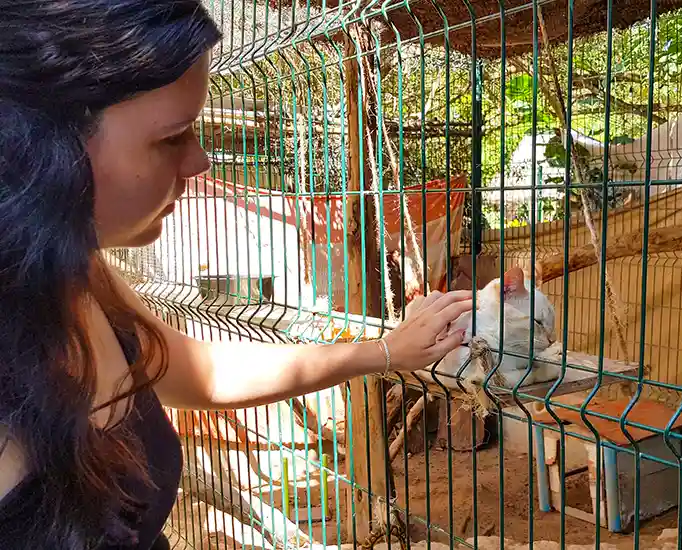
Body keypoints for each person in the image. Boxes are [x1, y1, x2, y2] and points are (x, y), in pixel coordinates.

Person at [0, 2, 473, 549]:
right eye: (173, 136)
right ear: (45, 146)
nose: (199, 161)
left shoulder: (83, 276)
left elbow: (203, 373)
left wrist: (385, 352)